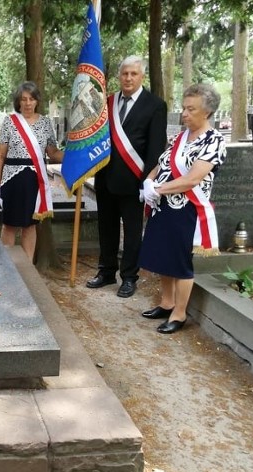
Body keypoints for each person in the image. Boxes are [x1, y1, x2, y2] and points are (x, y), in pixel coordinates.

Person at [138, 84, 226, 334]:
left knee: (179, 262)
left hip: (187, 208)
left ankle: (179, 313)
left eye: (191, 109)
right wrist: (149, 181)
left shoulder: (214, 141)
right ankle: (166, 303)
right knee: (163, 256)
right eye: (183, 108)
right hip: (162, 205)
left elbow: (192, 179)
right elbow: (162, 163)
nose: (184, 114)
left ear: (207, 112)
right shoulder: (180, 136)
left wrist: (158, 189)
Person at [86, 55, 167, 298]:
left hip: (134, 182)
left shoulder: (155, 105)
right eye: (125, 74)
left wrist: (148, 181)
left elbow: (155, 149)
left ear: (141, 76)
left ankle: (129, 277)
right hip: (106, 179)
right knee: (106, 228)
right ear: (119, 76)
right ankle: (106, 271)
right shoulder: (107, 103)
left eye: (133, 74)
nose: (128, 78)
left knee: (132, 232)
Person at [0, 81, 64, 262]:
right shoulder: (10, 121)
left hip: (34, 180)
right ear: (19, 102)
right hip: (12, 179)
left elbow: (53, 153)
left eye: (31, 99)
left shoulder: (45, 123)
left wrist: (75, 158)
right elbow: (0, 155)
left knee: (29, 226)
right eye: (24, 99)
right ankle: (5, 265)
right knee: (9, 225)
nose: (28, 103)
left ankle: (27, 268)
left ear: (37, 101)